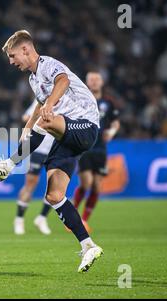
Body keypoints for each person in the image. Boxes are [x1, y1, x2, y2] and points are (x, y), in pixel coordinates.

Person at [0, 30, 103, 272]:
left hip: (85, 124)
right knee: (54, 195)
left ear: (26, 50)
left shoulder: (48, 64)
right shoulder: (32, 79)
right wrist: (28, 127)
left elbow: (63, 81)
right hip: (67, 137)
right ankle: (88, 245)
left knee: (46, 121)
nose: (11, 61)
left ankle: (8, 165)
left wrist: (49, 106)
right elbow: (40, 104)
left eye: (13, 55)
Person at [73, 72, 120, 233]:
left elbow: (115, 122)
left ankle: (84, 220)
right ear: (86, 82)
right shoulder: (80, 99)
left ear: (101, 82)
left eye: (96, 79)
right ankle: (72, 216)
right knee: (86, 183)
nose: (93, 82)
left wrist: (112, 132)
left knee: (97, 187)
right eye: (91, 80)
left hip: (101, 148)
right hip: (85, 146)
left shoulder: (108, 102)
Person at [14, 100, 55, 235]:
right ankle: (19, 220)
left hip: (56, 150)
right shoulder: (44, 99)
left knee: (54, 186)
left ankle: (42, 218)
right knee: (31, 184)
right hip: (39, 149)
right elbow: (26, 117)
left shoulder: (69, 101)